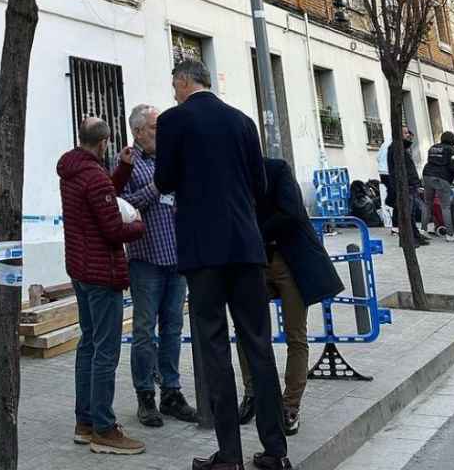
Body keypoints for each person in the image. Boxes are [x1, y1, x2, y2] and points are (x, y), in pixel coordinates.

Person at [154, 60, 290, 470]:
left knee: (214, 349)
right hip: (246, 248)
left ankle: (228, 454)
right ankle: (275, 451)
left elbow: (163, 180)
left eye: (174, 86)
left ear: (183, 80)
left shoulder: (174, 121)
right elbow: (260, 185)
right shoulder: (242, 121)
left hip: (203, 252)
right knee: (258, 347)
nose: (174, 93)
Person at [57, 117, 147, 456]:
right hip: (101, 273)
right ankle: (104, 428)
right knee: (105, 351)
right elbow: (112, 227)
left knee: (89, 344)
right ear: (105, 142)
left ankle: (84, 422)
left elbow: (103, 194)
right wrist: (139, 225)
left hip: (80, 269)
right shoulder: (92, 177)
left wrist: (122, 171)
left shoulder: (74, 170)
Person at [237, 158, 345, 437]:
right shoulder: (234, 175)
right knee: (248, 330)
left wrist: (252, 232)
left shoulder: (277, 169)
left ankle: (290, 405)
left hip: (289, 261)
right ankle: (253, 394)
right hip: (256, 262)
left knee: (296, 335)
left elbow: (291, 212)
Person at [120, 104, 198, 428]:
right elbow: (124, 206)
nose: (160, 134)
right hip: (146, 260)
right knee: (143, 331)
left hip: (175, 257)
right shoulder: (127, 162)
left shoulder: (170, 157)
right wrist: (158, 186)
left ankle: (171, 392)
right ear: (138, 132)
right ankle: (145, 397)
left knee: (173, 329)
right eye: (154, 128)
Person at [387, 126, 429, 245]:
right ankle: (409, 239)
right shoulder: (396, 149)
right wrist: (404, 185)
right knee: (407, 213)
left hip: (410, 185)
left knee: (411, 213)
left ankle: (415, 236)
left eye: (407, 133)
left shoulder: (402, 148)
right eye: (405, 133)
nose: (408, 135)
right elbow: (398, 170)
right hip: (405, 185)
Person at [421, 131, 454, 240]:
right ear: (453, 140)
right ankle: (450, 234)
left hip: (427, 175)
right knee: (445, 206)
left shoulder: (433, 147)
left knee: (427, 204)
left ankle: (423, 230)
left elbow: (430, 161)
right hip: (441, 178)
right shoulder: (452, 150)